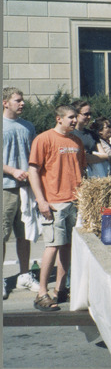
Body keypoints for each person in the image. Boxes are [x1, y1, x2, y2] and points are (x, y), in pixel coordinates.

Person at [28, 105, 86, 311]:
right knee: (52, 246)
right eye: (70, 117)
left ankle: (60, 290)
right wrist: (41, 200)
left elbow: (81, 169)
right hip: (54, 202)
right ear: (59, 119)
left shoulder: (77, 141)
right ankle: (41, 293)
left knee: (66, 246)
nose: (74, 121)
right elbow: (33, 170)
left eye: (75, 117)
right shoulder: (44, 139)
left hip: (74, 201)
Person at [2, 87, 40, 299]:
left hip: (26, 190)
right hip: (5, 189)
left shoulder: (28, 126)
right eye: (17, 100)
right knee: (2, 235)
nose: (22, 103)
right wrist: (13, 170)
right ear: (5, 103)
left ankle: (24, 275)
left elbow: (34, 157)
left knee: (24, 235)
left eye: (22, 100)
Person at [71, 100, 107, 178]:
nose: (89, 117)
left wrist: (88, 157)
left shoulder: (92, 134)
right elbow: (79, 157)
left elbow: (105, 155)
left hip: (93, 176)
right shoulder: (70, 135)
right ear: (76, 115)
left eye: (90, 114)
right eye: (86, 114)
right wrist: (89, 157)